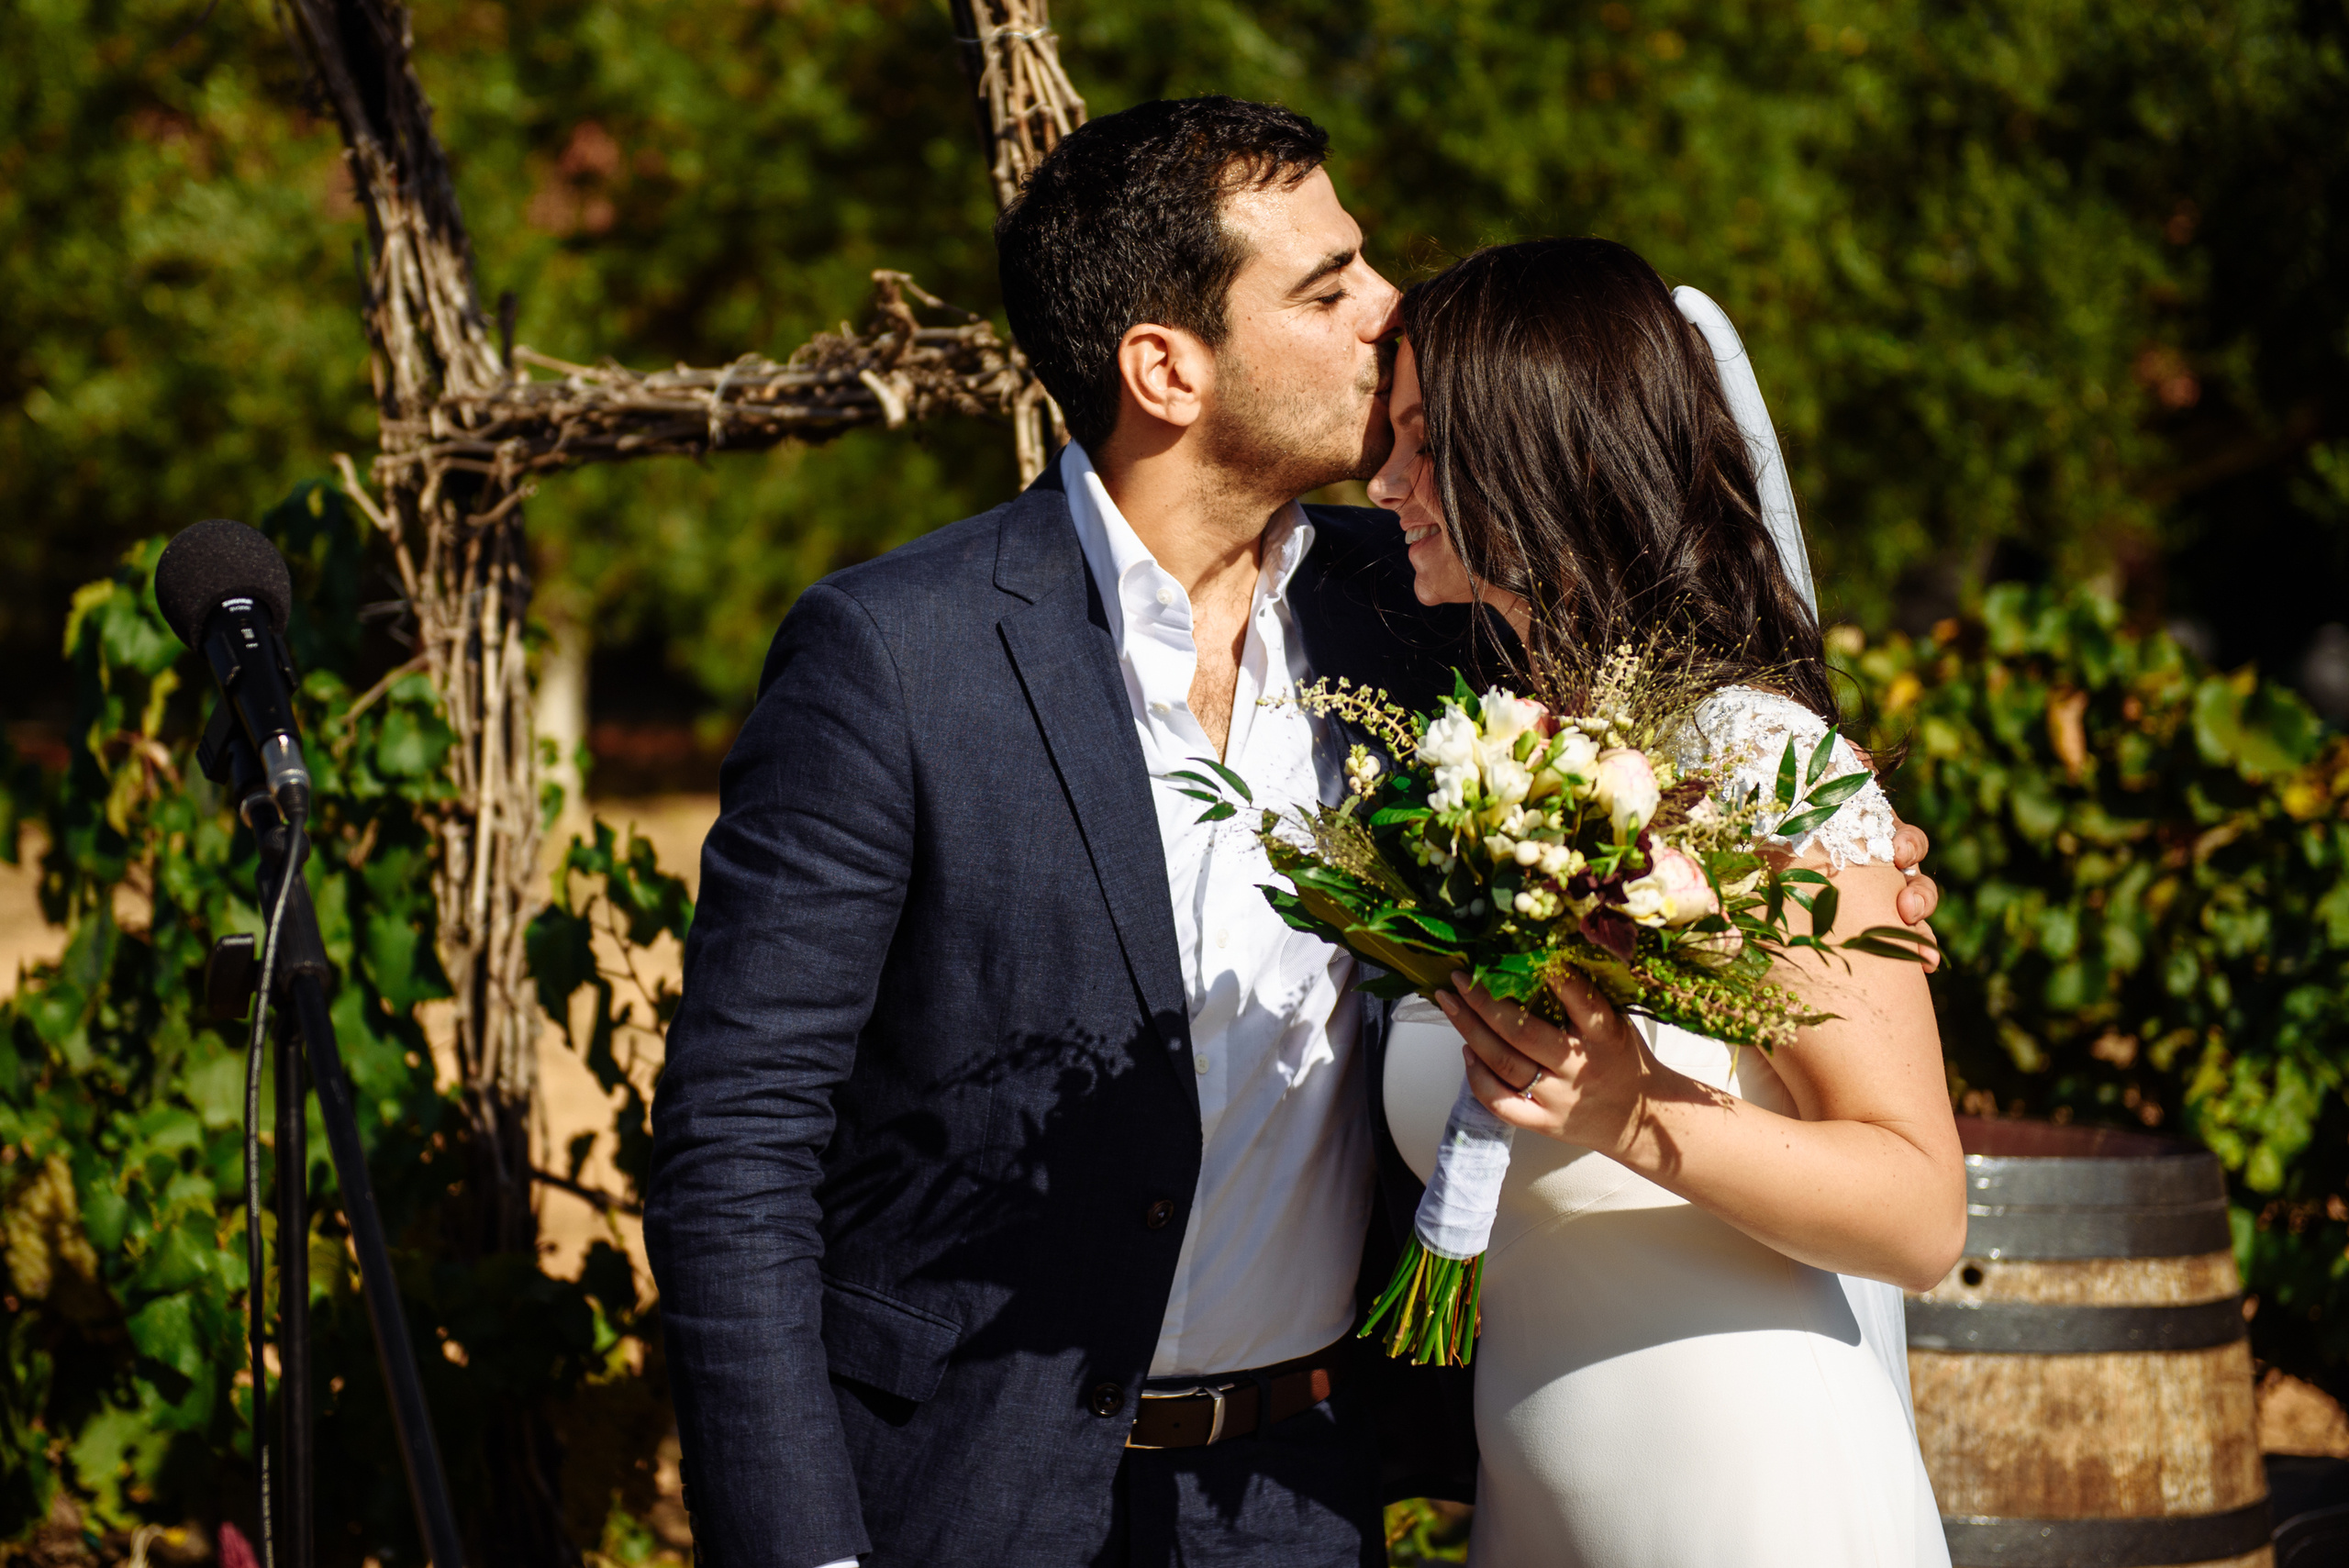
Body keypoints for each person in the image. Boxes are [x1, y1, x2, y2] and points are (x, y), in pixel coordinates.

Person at [646, 99, 1943, 1568]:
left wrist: (1834, 874)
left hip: (1298, 1497)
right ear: (1167, 367)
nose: (1389, 311)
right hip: (965, 1490)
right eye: (1327, 290)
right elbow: (737, 1143)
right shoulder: (897, 656)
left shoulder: (1429, 603)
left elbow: (1694, 753)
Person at [1366, 236, 1965, 1567]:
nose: (1385, 483)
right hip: (1536, 1513)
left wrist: (1628, 1108)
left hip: (1754, 1504)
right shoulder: (1493, 765)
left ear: (1540, 450)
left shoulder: (1758, 757)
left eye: (1423, 446)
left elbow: (1921, 1210)